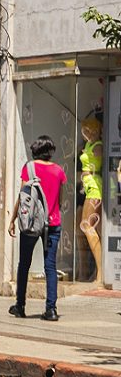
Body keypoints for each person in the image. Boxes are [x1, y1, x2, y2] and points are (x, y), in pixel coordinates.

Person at [8, 135, 66, 321]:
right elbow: (60, 199)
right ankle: (51, 309)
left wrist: (13, 219)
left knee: (24, 264)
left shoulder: (29, 168)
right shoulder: (59, 171)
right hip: (53, 224)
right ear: (50, 152)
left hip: (32, 222)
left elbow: (23, 196)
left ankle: (20, 305)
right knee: (50, 266)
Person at [79, 118, 103, 284]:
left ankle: (100, 271)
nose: (85, 133)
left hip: (95, 187)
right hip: (89, 187)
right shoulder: (88, 145)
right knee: (92, 228)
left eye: (87, 130)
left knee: (88, 226)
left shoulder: (98, 146)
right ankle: (98, 270)